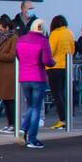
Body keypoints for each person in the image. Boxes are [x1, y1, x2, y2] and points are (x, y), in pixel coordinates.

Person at [15, 18, 54, 149]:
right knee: (36, 108)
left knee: (30, 106)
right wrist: (53, 63)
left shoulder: (21, 39)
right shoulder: (43, 41)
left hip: (24, 77)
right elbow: (47, 60)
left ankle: (22, 130)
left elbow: (18, 56)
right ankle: (32, 138)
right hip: (38, 77)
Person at [45, 15, 74, 130]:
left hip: (54, 67)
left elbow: (50, 51)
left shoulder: (54, 34)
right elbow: (72, 49)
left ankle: (62, 120)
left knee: (57, 94)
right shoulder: (69, 33)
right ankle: (67, 118)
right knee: (63, 93)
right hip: (66, 66)